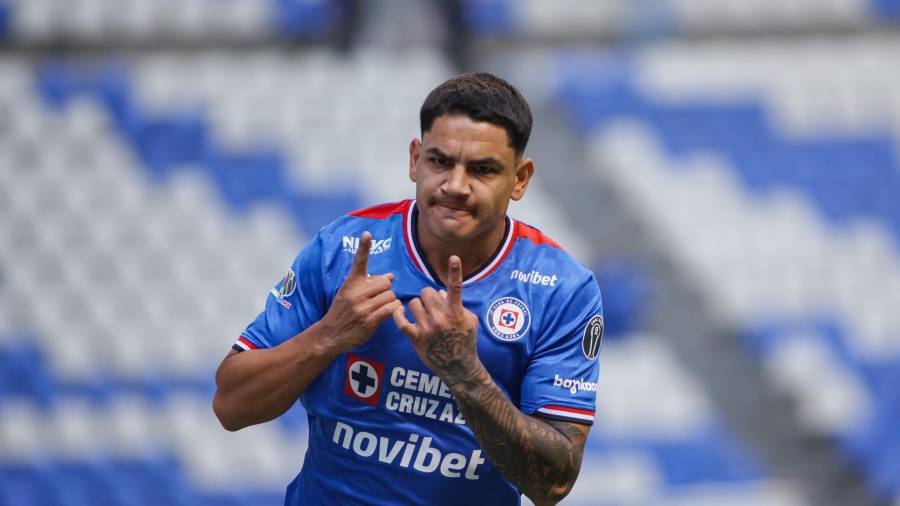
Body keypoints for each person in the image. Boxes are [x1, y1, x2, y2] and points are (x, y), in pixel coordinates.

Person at [212, 72, 604, 506]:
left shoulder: (562, 289)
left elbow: (553, 485)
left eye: (483, 170)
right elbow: (231, 405)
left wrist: (465, 373)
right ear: (415, 159)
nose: (455, 186)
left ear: (520, 179)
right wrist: (328, 335)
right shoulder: (341, 249)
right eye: (440, 162)